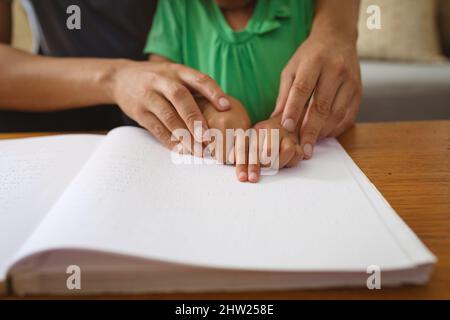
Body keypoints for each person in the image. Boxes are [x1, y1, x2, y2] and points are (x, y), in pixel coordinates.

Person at [0, 0, 362, 177]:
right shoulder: (179, 9)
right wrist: (207, 112)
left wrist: (338, 28)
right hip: (59, 119)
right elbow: (167, 78)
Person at [146, 0, 361, 183]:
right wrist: (205, 110)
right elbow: (160, 83)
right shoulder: (176, 6)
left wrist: (292, 124)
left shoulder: (303, 6)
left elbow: (331, 90)